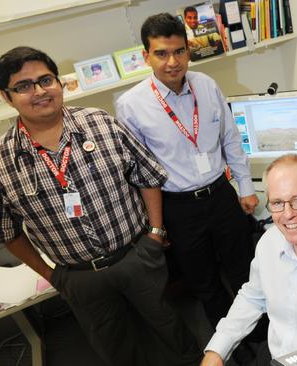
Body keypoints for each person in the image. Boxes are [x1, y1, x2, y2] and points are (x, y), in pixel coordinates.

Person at [0, 46, 203, 366]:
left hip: (136, 257)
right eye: (24, 86)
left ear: (59, 83)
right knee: (114, 346)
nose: (40, 91)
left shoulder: (101, 124)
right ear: (6, 96)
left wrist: (154, 234)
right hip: (79, 277)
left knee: (170, 326)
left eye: (46, 80)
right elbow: (5, 231)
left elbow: (147, 175)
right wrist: (52, 275)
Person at [115, 13, 259, 329]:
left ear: (188, 50)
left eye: (179, 51)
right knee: (203, 280)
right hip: (178, 208)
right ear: (146, 56)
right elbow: (139, 171)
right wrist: (155, 225)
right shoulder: (131, 105)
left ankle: (258, 331)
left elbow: (230, 137)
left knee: (243, 269)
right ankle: (230, 341)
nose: (172, 62)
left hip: (221, 194)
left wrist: (246, 186)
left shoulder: (206, 85)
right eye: (161, 53)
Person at [201, 154, 297, 366]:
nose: (287, 215)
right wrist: (216, 350)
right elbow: (252, 297)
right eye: (277, 203)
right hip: (275, 358)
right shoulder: (269, 241)